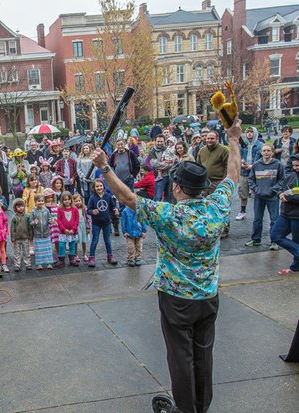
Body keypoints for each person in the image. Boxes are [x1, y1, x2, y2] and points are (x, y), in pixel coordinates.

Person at [88, 117, 242, 413]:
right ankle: (201, 405)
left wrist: (105, 167)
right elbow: (232, 176)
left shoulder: (168, 215)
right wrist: (234, 140)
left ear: (178, 189)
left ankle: (186, 409)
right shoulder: (218, 206)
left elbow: (127, 197)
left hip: (176, 299)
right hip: (208, 296)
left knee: (180, 357)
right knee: (203, 354)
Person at [246, 144, 284, 250]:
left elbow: (282, 179)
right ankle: (256, 239)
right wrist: (256, 189)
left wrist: (274, 189)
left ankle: (274, 241)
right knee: (257, 219)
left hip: (273, 197)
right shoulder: (256, 165)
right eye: (264, 150)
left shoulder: (278, 164)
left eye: (268, 150)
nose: (266, 152)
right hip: (259, 197)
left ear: (272, 152)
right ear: (261, 152)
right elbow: (251, 179)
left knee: (274, 220)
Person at [197, 130, 230, 237]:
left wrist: (223, 182)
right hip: (204, 183)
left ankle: (224, 230)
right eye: (208, 138)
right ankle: (209, 228)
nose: (209, 140)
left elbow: (227, 166)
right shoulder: (202, 151)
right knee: (205, 206)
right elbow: (198, 166)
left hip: (218, 182)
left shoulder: (224, 150)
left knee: (220, 206)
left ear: (217, 139)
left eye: (212, 138)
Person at [272, 155, 299, 275]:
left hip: (297, 215)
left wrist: (289, 198)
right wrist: (280, 194)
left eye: (297, 165)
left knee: (296, 241)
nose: (295, 168)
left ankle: (294, 267)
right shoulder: (291, 175)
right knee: (275, 235)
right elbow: (280, 187)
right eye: (294, 165)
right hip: (285, 213)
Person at [87, 179, 118, 267]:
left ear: (103, 187)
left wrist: (115, 209)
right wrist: (92, 211)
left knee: (107, 240)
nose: (99, 187)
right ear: (94, 188)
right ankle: (92, 257)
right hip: (96, 223)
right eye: (97, 186)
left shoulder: (108, 196)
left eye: (101, 186)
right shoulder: (92, 197)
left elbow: (113, 206)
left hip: (107, 222)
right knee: (95, 240)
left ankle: (110, 256)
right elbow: (88, 210)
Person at [237, 126, 263, 221]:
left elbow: (262, 159)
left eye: (251, 132)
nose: (249, 133)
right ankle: (242, 211)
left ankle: (258, 212)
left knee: (257, 193)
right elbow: (238, 156)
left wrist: (252, 166)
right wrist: (242, 163)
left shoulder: (260, 145)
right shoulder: (242, 145)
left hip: (256, 173)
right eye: (247, 132)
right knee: (243, 192)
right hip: (244, 172)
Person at [55, 191, 79, 268]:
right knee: (62, 245)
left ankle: (72, 259)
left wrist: (73, 229)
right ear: (62, 201)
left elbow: (77, 220)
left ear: (71, 200)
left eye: (68, 199)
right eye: (65, 200)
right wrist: (64, 229)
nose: (67, 201)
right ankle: (61, 260)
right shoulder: (60, 209)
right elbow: (58, 220)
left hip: (73, 232)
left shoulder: (75, 209)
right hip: (63, 232)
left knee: (72, 245)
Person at [30, 194, 53, 270]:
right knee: (39, 250)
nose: (41, 202)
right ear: (35, 202)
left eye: (42, 201)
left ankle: (49, 263)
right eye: (39, 201)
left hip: (46, 233)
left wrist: (51, 221)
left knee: (47, 249)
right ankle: (39, 264)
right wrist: (34, 222)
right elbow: (30, 222)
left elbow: (49, 219)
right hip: (38, 234)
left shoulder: (46, 210)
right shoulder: (33, 211)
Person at [147, 135, 172, 202]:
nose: (160, 143)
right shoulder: (152, 151)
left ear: (164, 142)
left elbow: (172, 160)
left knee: (168, 196)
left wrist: (167, 163)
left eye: (161, 141)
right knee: (158, 196)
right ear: (155, 142)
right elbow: (155, 164)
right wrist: (168, 164)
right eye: (158, 141)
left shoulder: (168, 149)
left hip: (169, 176)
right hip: (159, 177)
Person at [73, 193, 90, 263]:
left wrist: (88, 227)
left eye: (79, 200)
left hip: (84, 226)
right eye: (76, 201)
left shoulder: (84, 208)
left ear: (82, 201)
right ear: (73, 202)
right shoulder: (73, 209)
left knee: (84, 241)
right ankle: (75, 255)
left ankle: (84, 254)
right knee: (76, 241)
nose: (78, 202)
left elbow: (88, 218)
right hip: (76, 227)